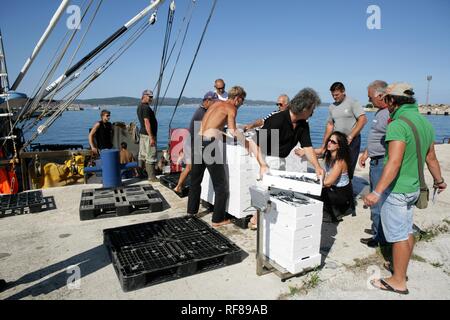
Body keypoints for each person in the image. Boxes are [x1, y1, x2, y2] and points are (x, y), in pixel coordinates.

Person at [364, 83, 447, 295]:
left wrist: (376, 191)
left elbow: (394, 162)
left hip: (398, 190)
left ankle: (398, 280)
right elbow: (431, 157)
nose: (385, 103)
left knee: (399, 236)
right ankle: (399, 268)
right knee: (406, 230)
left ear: (392, 100)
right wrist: (439, 181)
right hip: (414, 188)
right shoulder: (425, 123)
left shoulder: (397, 124)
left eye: (386, 99)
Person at [187, 86, 268, 227]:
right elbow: (233, 130)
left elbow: (212, 127)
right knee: (221, 186)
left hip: (198, 140)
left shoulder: (215, 104)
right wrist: (247, 144)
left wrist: (226, 139)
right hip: (210, 146)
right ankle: (217, 220)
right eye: (242, 101)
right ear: (237, 99)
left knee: (195, 180)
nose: (241, 104)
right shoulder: (232, 108)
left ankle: (191, 211)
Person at [359, 80, 390, 248]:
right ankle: (377, 229)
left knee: (377, 199)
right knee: (375, 197)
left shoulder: (388, 115)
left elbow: (392, 142)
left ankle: (380, 238)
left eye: (370, 97)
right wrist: (366, 153)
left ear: (380, 96)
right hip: (374, 160)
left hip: (381, 163)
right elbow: (377, 138)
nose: (369, 99)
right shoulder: (380, 113)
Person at [317, 82, 368, 179]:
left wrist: (351, 136)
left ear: (343, 91)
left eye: (337, 95)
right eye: (333, 95)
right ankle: (333, 185)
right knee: (334, 165)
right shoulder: (332, 106)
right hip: (337, 141)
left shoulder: (353, 102)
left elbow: (363, 120)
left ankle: (347, 188)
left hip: (352, 140)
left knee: (348, 166)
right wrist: (324, 144)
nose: (334, 97)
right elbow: (330, 125)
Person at [174, 91, 218, 193]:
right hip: (193, 143)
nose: (215, 104)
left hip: (193, 141)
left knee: (191, 167)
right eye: (214, 102)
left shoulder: (203, 111)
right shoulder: (202, 113)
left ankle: (180, 186)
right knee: (189, 167)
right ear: (206, 101)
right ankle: (178, 186)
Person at [320, 132, 354, 222]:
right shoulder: (329, 154)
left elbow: (328, 183)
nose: (329, 143)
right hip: (334, 189)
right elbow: (318, 151)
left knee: (315, 193)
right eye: (329, 140)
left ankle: (336, 213)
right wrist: (304, 151)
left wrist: (312, 183)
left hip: (341, 193)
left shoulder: (339, 161)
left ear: (339, 146)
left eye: (333, 142)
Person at [137, 90, 158, 182]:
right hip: (148, 135)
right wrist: (151, 137)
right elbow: (146, 122)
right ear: (143, 96)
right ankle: (152, 177)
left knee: (143, 155)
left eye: (152, 97)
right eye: (149, 97)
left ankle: (140, 174)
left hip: (142, 134)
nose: (151, 99)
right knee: (151, 155)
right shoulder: (145, 108)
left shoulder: (139, 106)